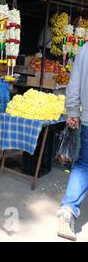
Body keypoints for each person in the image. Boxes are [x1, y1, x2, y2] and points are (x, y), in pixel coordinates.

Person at [57, 42, 88, 241]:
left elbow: (74, 82)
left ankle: (67, 210)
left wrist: (72, 111)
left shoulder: (85, 48)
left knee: (84, 164)